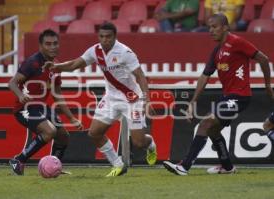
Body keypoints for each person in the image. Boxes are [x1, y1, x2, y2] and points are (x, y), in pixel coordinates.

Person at [163, 13, 274, 175]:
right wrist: (192, 102)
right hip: (228, 97)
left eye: (215, 27)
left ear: (225, 27)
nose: (211, 30)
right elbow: (204, 76)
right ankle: (228, 167)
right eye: (209, 27)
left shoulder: (236, 42)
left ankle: (184, 166)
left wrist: (268, 86)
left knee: (205, 123)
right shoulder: (217, 51)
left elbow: (263, 59)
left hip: (240, 96)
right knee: (213, 130)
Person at [44, 22, 157, 177]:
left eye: (108, 37)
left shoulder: (125, 52)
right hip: (111, 98)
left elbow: (140, 76)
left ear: (115, 37)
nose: (105, 40)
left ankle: (150, 144)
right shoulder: (95, 51)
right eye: (102, 36)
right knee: (94, 133)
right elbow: (75, 64)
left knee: (139, 142)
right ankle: (118, 165)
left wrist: (147, 100)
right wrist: (58, 67)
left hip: (132, 99)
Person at [8, 29, 83, 175]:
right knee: (49, 131)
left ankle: (53, 166)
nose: (52, 47)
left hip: (41, 107)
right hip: (25, 107)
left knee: (63, 137)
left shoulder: (56, 66)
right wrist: (20, 95)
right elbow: (12, 83)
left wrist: (72, 118)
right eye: (48, 44)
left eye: (55, 43)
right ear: (40, 46)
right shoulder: (32, 63)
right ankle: (19, 160)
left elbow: (57, 95)